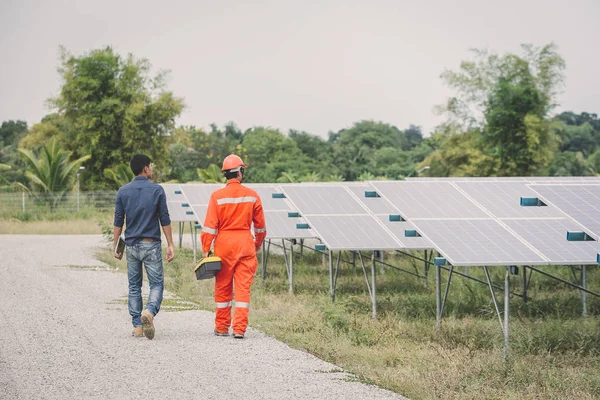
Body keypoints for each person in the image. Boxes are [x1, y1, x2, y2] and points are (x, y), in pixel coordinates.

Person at [201, 154, 267, 339]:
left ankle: (222, 327)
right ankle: (239, 329)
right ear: (240, 172)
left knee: (223, 286)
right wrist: (257, 244)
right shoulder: (253, 196)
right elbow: (260, 226)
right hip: (245, 244)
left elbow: (209, 226)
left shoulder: (217, 196)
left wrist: (206, 248)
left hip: (223, 246)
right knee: (243, 288)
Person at [113, 154, 175, 340]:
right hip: (151, 244)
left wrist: (116, 245)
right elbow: (164, 218)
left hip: (131, 246)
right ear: (146, 169)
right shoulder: (157, 190)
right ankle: (149, 311)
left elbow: (118, 220)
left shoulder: (123, 191)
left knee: (134, 286)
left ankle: (137, 327)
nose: (151, 168)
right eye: (150, 166)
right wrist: (170, 244)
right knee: (156, 284)